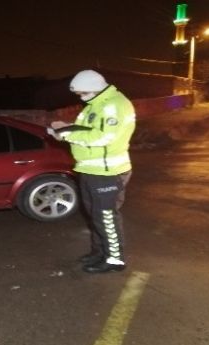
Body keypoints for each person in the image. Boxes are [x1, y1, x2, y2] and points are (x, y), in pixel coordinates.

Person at [47, 70, 135, 273]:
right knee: (95, 215)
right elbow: (86, 130)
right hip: (90, 168)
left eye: (82, 93)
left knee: (106, 216)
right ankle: (99, 253)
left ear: (95, 88)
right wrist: (66, 128)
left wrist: (66, 135)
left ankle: (114, 259)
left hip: (107, 171)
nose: (80, 97)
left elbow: (105, 137)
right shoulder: (95, 104)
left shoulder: (114, 105)